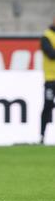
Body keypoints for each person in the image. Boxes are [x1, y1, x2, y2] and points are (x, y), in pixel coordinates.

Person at [40, 17, 55, 145]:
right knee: (48, 106)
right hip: (51, 79)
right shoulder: (46, 36)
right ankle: (42, 136)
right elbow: (51, 54)